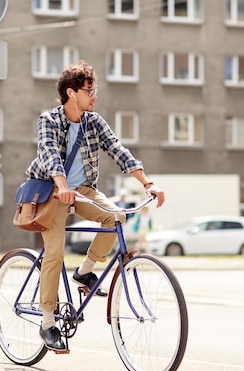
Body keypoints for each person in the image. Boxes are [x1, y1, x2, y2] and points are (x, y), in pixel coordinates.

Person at [25, 60, 165, 351]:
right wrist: (62, 186)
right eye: (90, 90)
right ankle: (48, 322)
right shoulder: (49, 121)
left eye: (94, 89)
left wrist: (147, 183)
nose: (95, 95)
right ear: (72, 93)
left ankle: (85, 271)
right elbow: (49, 154)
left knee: (115, 218)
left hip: (82, 190)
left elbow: (118, 150)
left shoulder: (94, 122)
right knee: (55, 252)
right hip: (52, 191)